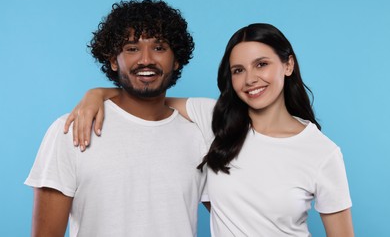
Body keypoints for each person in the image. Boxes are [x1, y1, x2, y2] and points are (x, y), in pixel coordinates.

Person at [65, 23, 354, 236]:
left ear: (288, 65)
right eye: (238, 70)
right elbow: (148, 95)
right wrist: (96, 93)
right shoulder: (215, 120)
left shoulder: (322, 153)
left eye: (262, 65)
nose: (250, 79)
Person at [25, 0, 209, 236]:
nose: (146, 59)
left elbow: (236, 215)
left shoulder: (198, 134)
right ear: (113, 60)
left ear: (176, 61)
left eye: (159, 47)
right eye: (132, 48)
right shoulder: (71, 129)